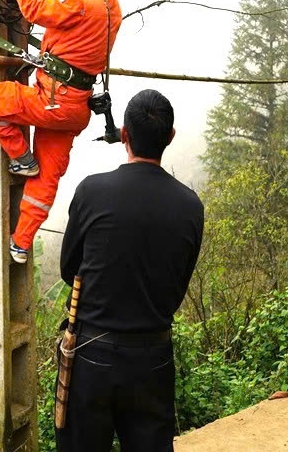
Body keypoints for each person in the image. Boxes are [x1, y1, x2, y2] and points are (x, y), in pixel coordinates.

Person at [56, 89, 204, 452]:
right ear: (169, 137)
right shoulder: (190, 206)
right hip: (152, 358)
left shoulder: (92, 191)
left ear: (124, 133)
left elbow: (69, 270)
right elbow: (177, 285)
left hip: (91, 356)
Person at [0, 0, 124, 264]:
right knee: (46, 179)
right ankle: (20, 243)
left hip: (51, 101)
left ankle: (20, 157)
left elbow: (34, 10)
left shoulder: (80, 3)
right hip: (74, 111)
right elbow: (80, 6)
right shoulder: (110, 2)